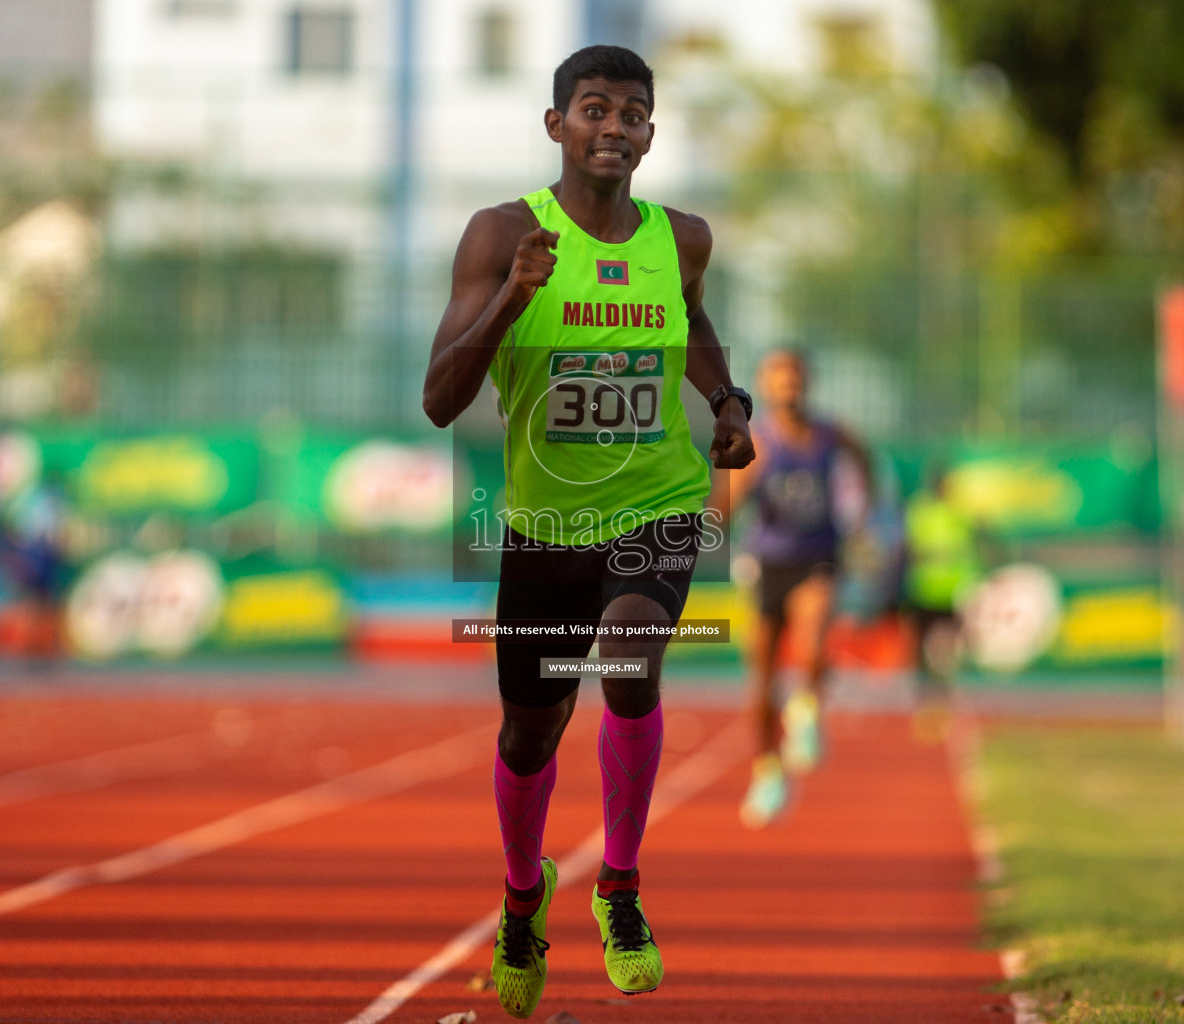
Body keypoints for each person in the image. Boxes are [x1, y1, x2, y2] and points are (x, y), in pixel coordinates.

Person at [422, 45, 755, 1019]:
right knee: (530, 732)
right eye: (596, 109)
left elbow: (690, 321)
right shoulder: (499, 235)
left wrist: (726, 399)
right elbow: (441, 399)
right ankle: (525, 896)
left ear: (651, 135)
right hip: (543, 524)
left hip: (655, 502)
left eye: (634, 114)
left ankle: (619, 885)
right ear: (556, 124)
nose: (615, 127)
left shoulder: (681, 236)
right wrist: (512, 297)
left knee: (633, 654)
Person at [722, 349, 874, 828]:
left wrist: (864, 513)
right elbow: (723, 505)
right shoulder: (756, 442)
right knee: (762, 682)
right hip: (768, 562)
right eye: (778, 379)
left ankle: (807, 710)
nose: (788, 387)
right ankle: (769, 773)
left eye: (795, 378)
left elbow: (864, 462)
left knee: (812, 639)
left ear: (808, 382)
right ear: (765, 386)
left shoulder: (831, 434)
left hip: (818, 554)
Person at [901, 464, 981, 740]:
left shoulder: (958, 512)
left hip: (951, 591)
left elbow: (973, 543)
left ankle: (943, 702)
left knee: (947, 651)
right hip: (924, 590)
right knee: (922, 650)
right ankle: (925, 702)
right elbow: (909, 548)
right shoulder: (920, 511)